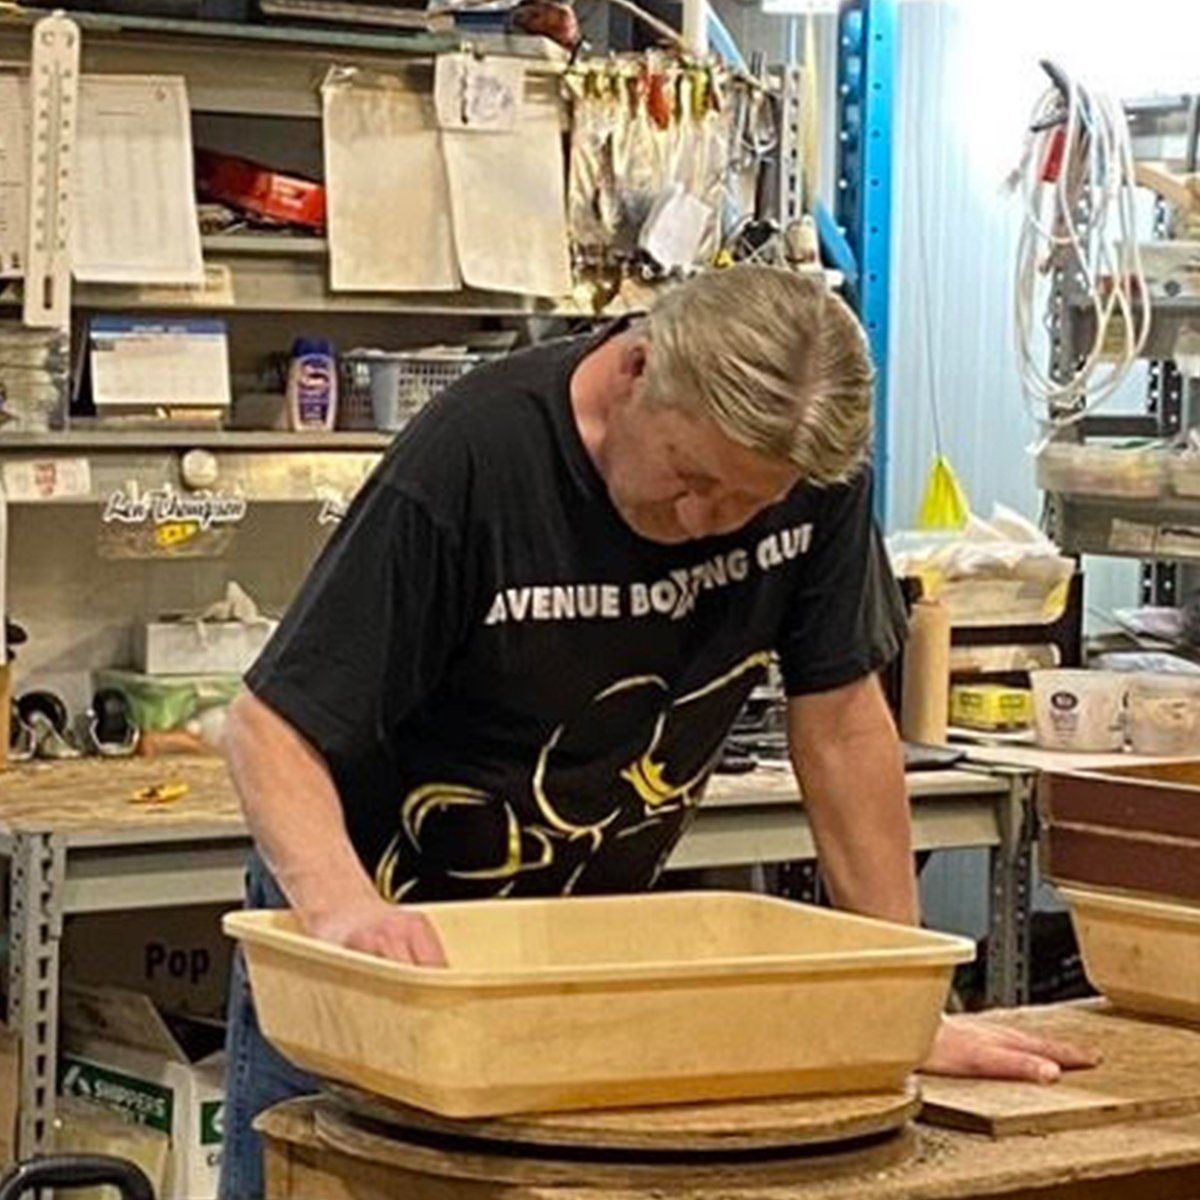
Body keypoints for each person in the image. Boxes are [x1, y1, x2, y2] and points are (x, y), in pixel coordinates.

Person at [219, 266, 1094, 1199]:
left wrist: (898, 1006)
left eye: (746, 504)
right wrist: (349, 915)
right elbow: (267, 729)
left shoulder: (810, 474)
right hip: (383, 953)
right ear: (636, 369)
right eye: (689, 477)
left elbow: (840, 726)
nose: (703, 522)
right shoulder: (473, 461)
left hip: (589, 955)